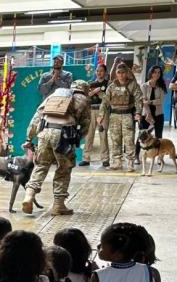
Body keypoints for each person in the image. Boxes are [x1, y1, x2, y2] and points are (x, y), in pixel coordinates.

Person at [23, 80, 93, 216]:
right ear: (85, 89)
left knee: (41, 165)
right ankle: (58, 205)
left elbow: (37, 116)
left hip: (44, 131)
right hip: (63, 135)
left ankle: (29, 195)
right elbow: (85, 124)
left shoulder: (56, 94)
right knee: (64, 169)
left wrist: (29, 138)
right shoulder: (83, 99)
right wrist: (77, 138)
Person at [100, 64, 143, 172]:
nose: (121, 75)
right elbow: (105, 101)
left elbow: (138, 99)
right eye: (119, 72)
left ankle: (130, 163)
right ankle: (116, 162)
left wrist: (138, 112)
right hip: (114, 115)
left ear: (127, 73)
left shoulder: (132, 85)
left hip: (127, 115)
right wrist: (101, 114)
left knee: (129, 140)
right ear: (116, 73)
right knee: (115, 139)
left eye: (123, 72)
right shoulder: (112, 86)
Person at [135, 65, 167, 162]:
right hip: (145, 114)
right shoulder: (144, 86)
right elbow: (143, 101)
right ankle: (136, 156)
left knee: (158, 136)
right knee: (141, 135)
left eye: (159, 72)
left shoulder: (161, 86)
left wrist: (150, 101)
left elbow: (160, 101)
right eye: (155, 72)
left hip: (158, 114)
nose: (157, 74)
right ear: (151, 73)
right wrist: (148, 113)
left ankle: (159, 157)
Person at [81, 64, 109, 167]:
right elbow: (85, 97)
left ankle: (105, 159)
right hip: (91, 110)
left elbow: (108, 98)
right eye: (97, 71)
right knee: (89, 135)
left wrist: (99, 93)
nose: (99, 73)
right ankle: (86, 158)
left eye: (101, 71)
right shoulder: (90, 84)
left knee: (103, 135)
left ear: (105, 72)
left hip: (103, 111)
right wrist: (93, 92)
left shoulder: (108, 84)